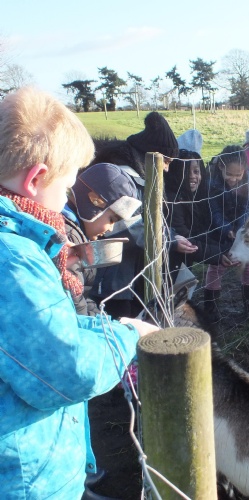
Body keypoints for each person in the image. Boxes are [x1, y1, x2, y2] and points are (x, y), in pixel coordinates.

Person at [0, 86, 158, 499]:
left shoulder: (20, 244)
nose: (67, 198)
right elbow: (68, 368)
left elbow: (42, 330)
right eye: (67, 184)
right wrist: (129, 337)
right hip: (25, 481)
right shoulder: (11, 260)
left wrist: (107, 326)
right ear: (36, 179)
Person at [89, 111, 179, 318]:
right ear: (148, 156)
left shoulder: (137, 177)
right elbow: (128, 228)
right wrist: (171, 240)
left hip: (130, 272)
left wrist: (172, 236)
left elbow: (149, 220)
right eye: (165, 161)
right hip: (111, 276)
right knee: (119, 323)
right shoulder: (119, 180)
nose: (166, 169)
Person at [63, 162, 143, 316]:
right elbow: (75, 307)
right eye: (111, 219)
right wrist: (108, 326)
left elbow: (81, 298)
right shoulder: (70, 239)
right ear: (94, 202)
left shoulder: (75, 232)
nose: (111, 229)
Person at [164, 149, 233, 317]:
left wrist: (224, 248)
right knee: (168, 298)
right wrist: (217, 255)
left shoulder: (197, 197)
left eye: (196, 171)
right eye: (185, 172)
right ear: (175, 173)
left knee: (177, 298)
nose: (192, 176)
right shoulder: (171, 200)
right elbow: (186, 238)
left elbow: (202, 232)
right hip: (168, 264)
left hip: (181, 263)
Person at [206, 145, 249, 317]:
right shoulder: (211, 181)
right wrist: (226, 229)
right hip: (219, 228)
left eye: (238, 175)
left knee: (248, 264)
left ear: (245, 170)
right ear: (221, 167)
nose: (234, 179)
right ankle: (211, 309)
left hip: (242, 228)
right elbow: (214, 210)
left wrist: (240, 229)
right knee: (217, 265)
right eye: (229, 174)